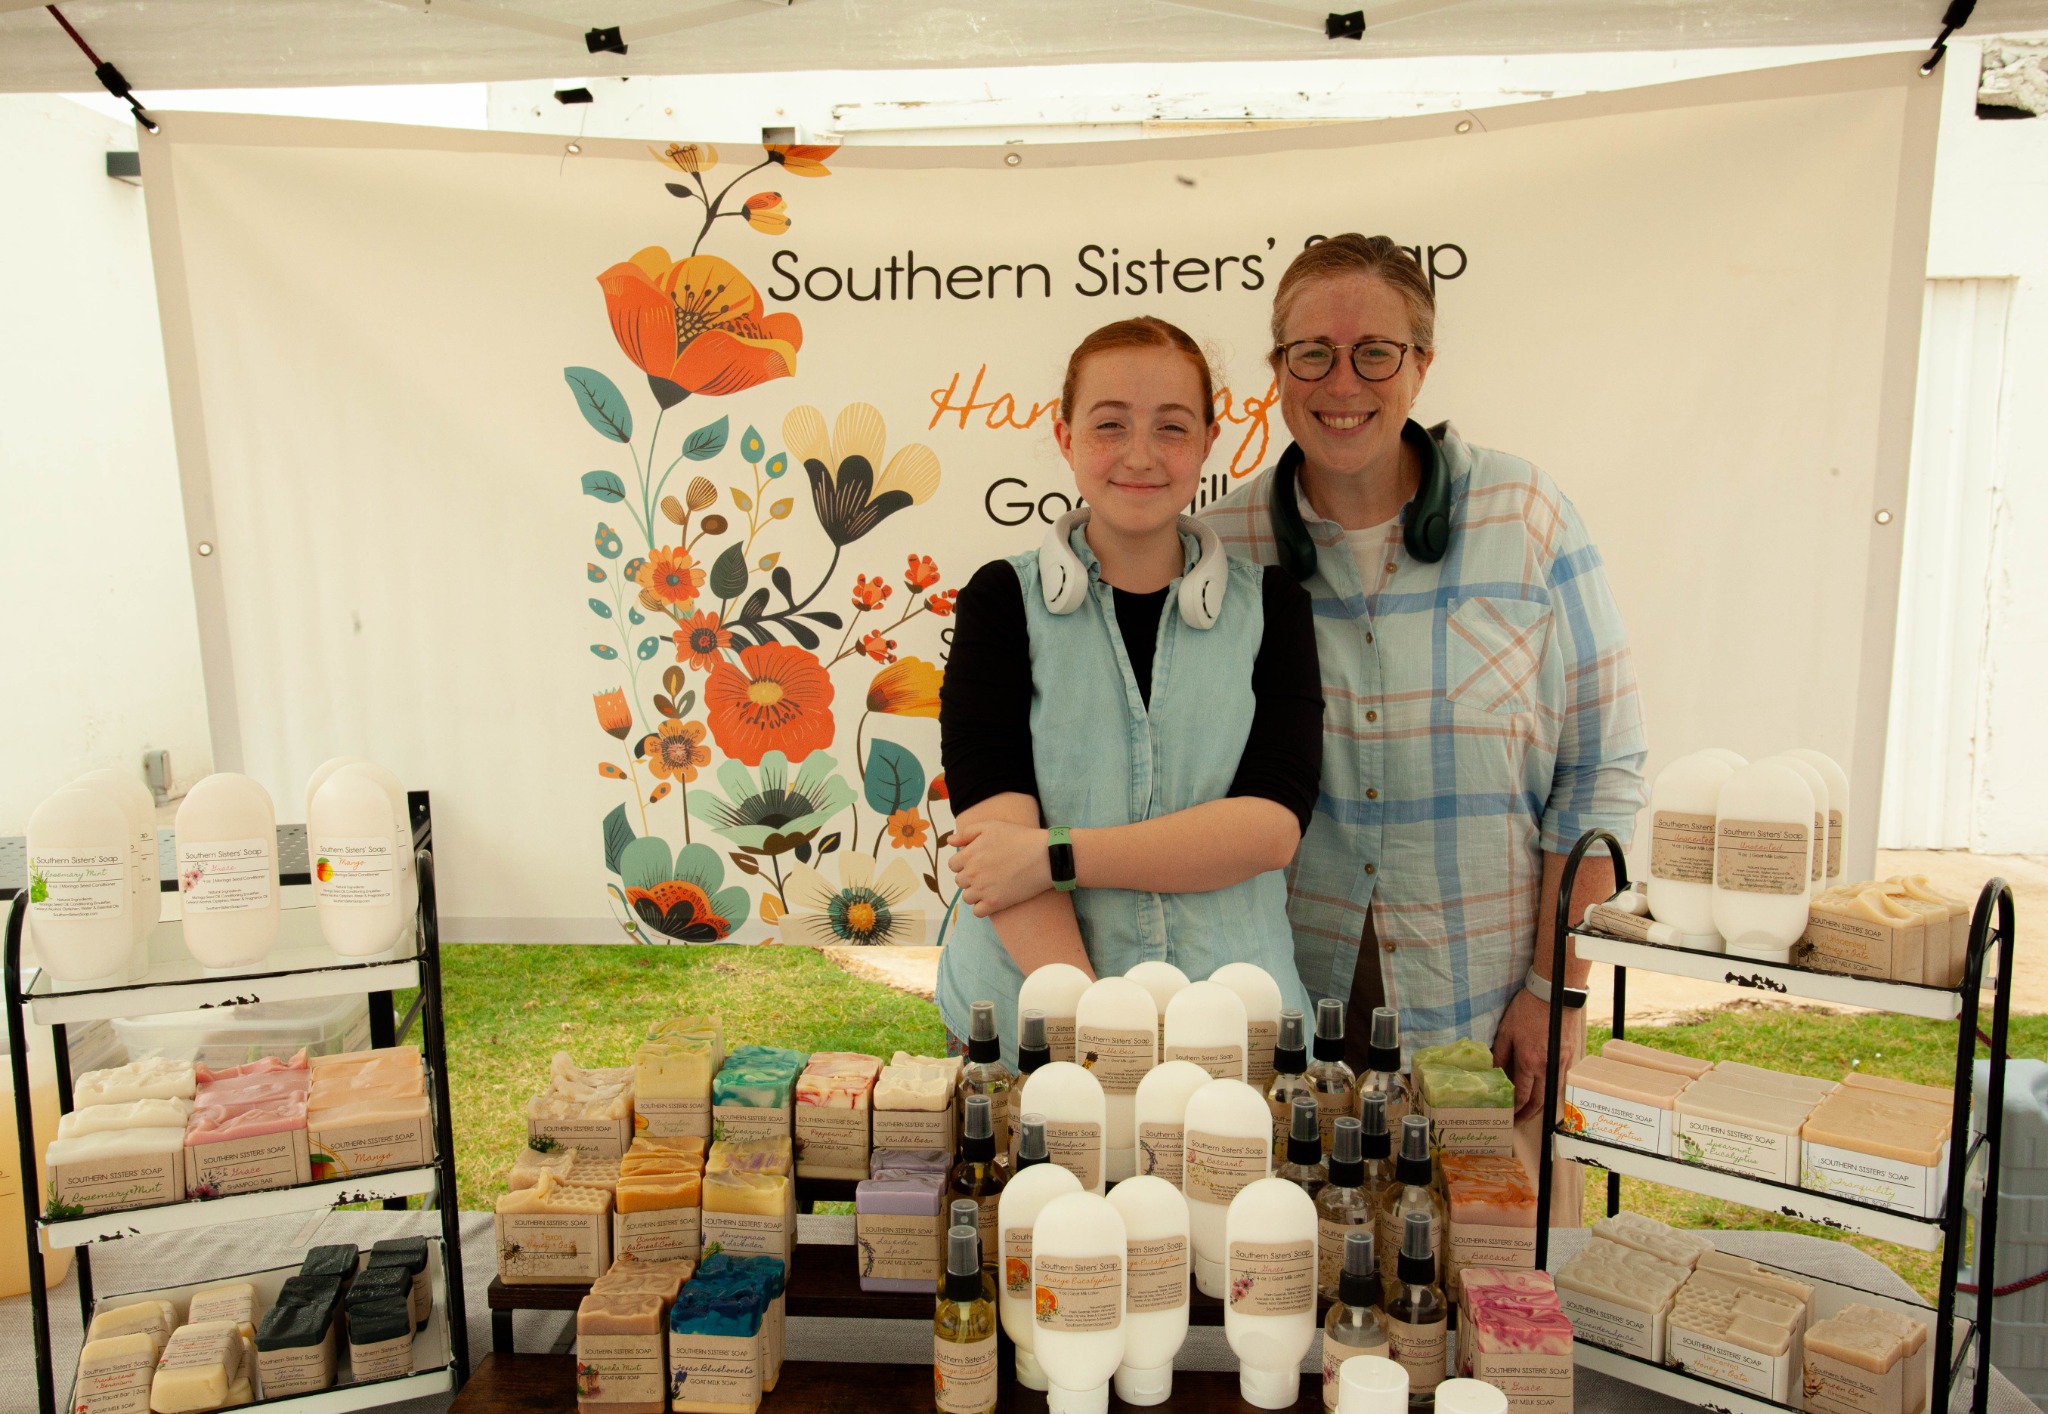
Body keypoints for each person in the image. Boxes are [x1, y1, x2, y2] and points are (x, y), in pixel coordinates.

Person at [1204, 236, 1648, 1217]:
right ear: (1277, 368)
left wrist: (1555, 990)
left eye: (1375, 352)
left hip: (1486, 1022)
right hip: (1289, 1019)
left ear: (1422, 363)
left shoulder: (1526, 516)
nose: (1342, 383)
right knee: (1309, 1268)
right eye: (1311, 353)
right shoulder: (1225, 548)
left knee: (1497, 1279)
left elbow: (1600, 772)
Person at [934, 315, 1325, 1058]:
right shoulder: (1001, 600)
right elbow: (996, 850)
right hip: (1035, 1023)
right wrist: (1100, 1032)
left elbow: (1268, 829)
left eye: (1172, 427)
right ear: (1065, 436)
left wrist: (1054, 855)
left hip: (1229, 1028)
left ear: (1209, 441)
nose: (1140, 454)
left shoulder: (1274, 607)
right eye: (1109, 424)